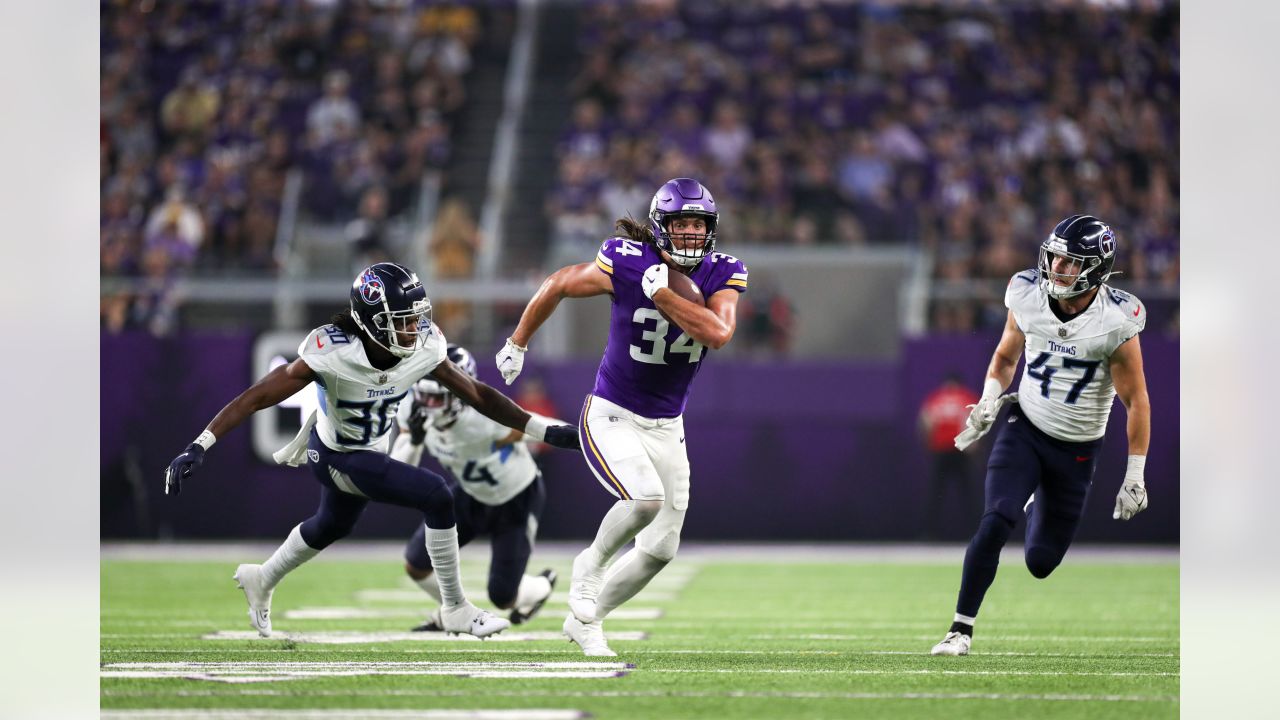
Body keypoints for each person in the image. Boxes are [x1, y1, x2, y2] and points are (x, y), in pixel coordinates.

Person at [163, 262, 580, 640]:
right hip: (337, 454)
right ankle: (455, 608)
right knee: (436, 495)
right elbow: (257, 396)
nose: (414, 330)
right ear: (371, 322)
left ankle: (263, 578)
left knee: (330, 525)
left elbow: (481, 396)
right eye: (402, 322)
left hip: (369, 449)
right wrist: (201, 444)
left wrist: (546, 429)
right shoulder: (333, 352)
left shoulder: (422, 349)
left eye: (418, 319)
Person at [495, 178, 748, 656]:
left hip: (667, 425)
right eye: (682, 223)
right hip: (612, 412)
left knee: (659, 549)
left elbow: (718, 333)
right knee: (645, 500)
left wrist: (667, 297)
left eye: (699, 224)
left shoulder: (724, 272)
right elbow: (560, 283)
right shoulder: (628, 260)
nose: (692, 233)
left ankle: (585, 622)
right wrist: (517, 340)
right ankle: (588, 566)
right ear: (661, 226)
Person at [932, 215, 1151, 656]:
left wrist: (1135, 474)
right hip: (1026, 427)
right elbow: (1005, 355)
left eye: (1070, 262)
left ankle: (1037, 502)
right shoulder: (1027, 294)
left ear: (1095, 267)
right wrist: (991, 398)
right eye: (1054, 257)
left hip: (1077, 451)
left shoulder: (1116, 320)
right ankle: (960, 630)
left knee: (1040, 562)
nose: (1056, 268)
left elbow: (1137, 401)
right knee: (996, 518)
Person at [389, 343, 558, 630]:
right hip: (471, 492)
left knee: (504, 598)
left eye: (438, 397)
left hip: (516, 497)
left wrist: (588, 439)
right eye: (425, 396)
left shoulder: (485, 418)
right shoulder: (413, 410)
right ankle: (456, 611)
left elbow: (544, 428)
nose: (430, 406)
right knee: (416, 564)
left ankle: (541, 585)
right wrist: (415, 441)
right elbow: (397, 474)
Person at [918, 373, 981, 538]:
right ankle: (975, 532)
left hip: (941, 451)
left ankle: (929, 532)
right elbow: (976, 423)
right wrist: (974, 446)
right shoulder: (965, 397)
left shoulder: (936, 398)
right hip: (960, 451)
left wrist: (929, 443)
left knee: (936, 494)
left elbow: (925, 421)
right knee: (967, 494)